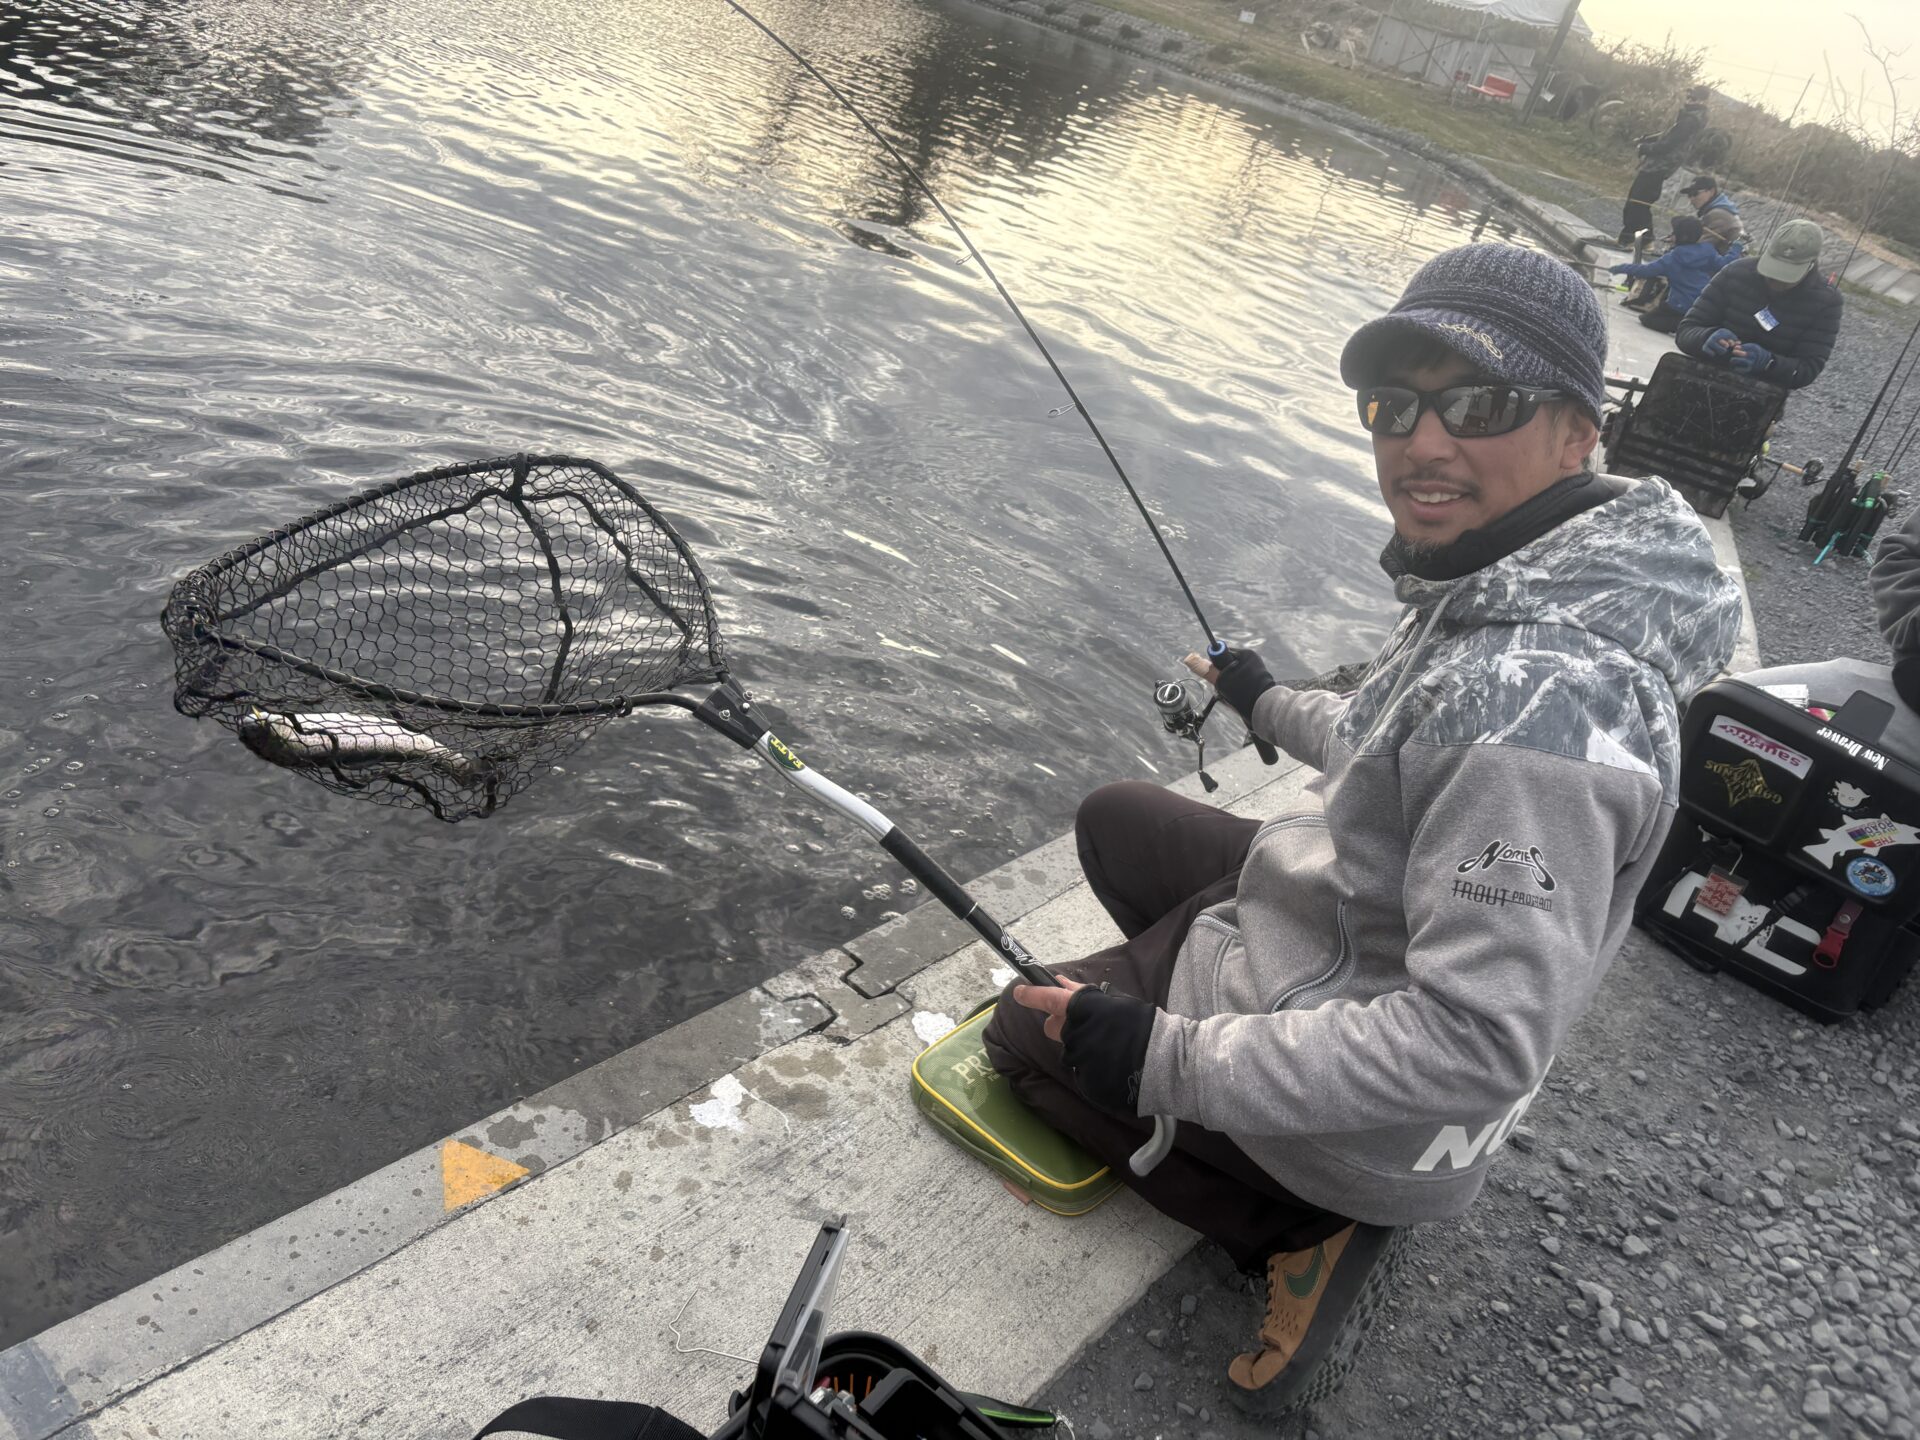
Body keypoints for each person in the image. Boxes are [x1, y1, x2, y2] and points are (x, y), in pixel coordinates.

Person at [983, 245, 1743, 1415]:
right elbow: (1392, 744)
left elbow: (1478, 1041)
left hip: (1379, 1121)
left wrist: (1166, 1058)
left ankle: (1298, 1223)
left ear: (1577, 433)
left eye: (1477, 404)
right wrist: (1262, 699)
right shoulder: (1531, 573)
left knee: (1021, 1034)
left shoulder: (1543, 705)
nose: (1422, 442)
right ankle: (1203, 990)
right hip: (1345, 926)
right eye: (1395, 405)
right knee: (1117, 821)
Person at [1677, 218, 1842, 389]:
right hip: (1699, 378)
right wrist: (1704, 338)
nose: (1776, 280)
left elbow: (1807, 370)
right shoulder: (1735, 273)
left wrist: (1769, 363)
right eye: (1772, 271)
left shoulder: (1827, 301)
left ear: (1810, 266)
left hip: (1762, 393)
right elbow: (1686, 330)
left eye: (1787, 276)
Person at [1609, 214, 1736, 333]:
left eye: (1674, 233)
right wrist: (1736, 248)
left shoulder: (1673, 259)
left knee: (1647, 319)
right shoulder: (1708, 250)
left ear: (1682, 237)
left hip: (1680, 305)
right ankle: (1694, 321)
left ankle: (1685, 325)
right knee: (1661, 309)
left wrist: (1620, 268)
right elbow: (1725, 263)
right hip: (1704, 301)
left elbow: (1646, 271)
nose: (1671, 235)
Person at [1619, 85, 1711, 245]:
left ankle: (1644, 240)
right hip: (1658, 165)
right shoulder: (1688, 117)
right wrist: (1648, 139)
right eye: (1689, 96)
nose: (1689, 99)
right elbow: (1668, 138)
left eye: (1693, 98)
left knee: (1638, 204)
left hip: (1659, 166)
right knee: (1636, 202)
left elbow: (1668, 145)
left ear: (1702, 101)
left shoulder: (1690, 121)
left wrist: (1645, 148)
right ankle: (1628, 239)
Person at [1682, 174, 1745, 254]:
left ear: (1711, 191)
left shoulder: (1717, 214)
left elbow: (1700, 249)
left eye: (1695, 193)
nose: (1692, 199)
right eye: (1689, 195)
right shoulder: (1723, 209)